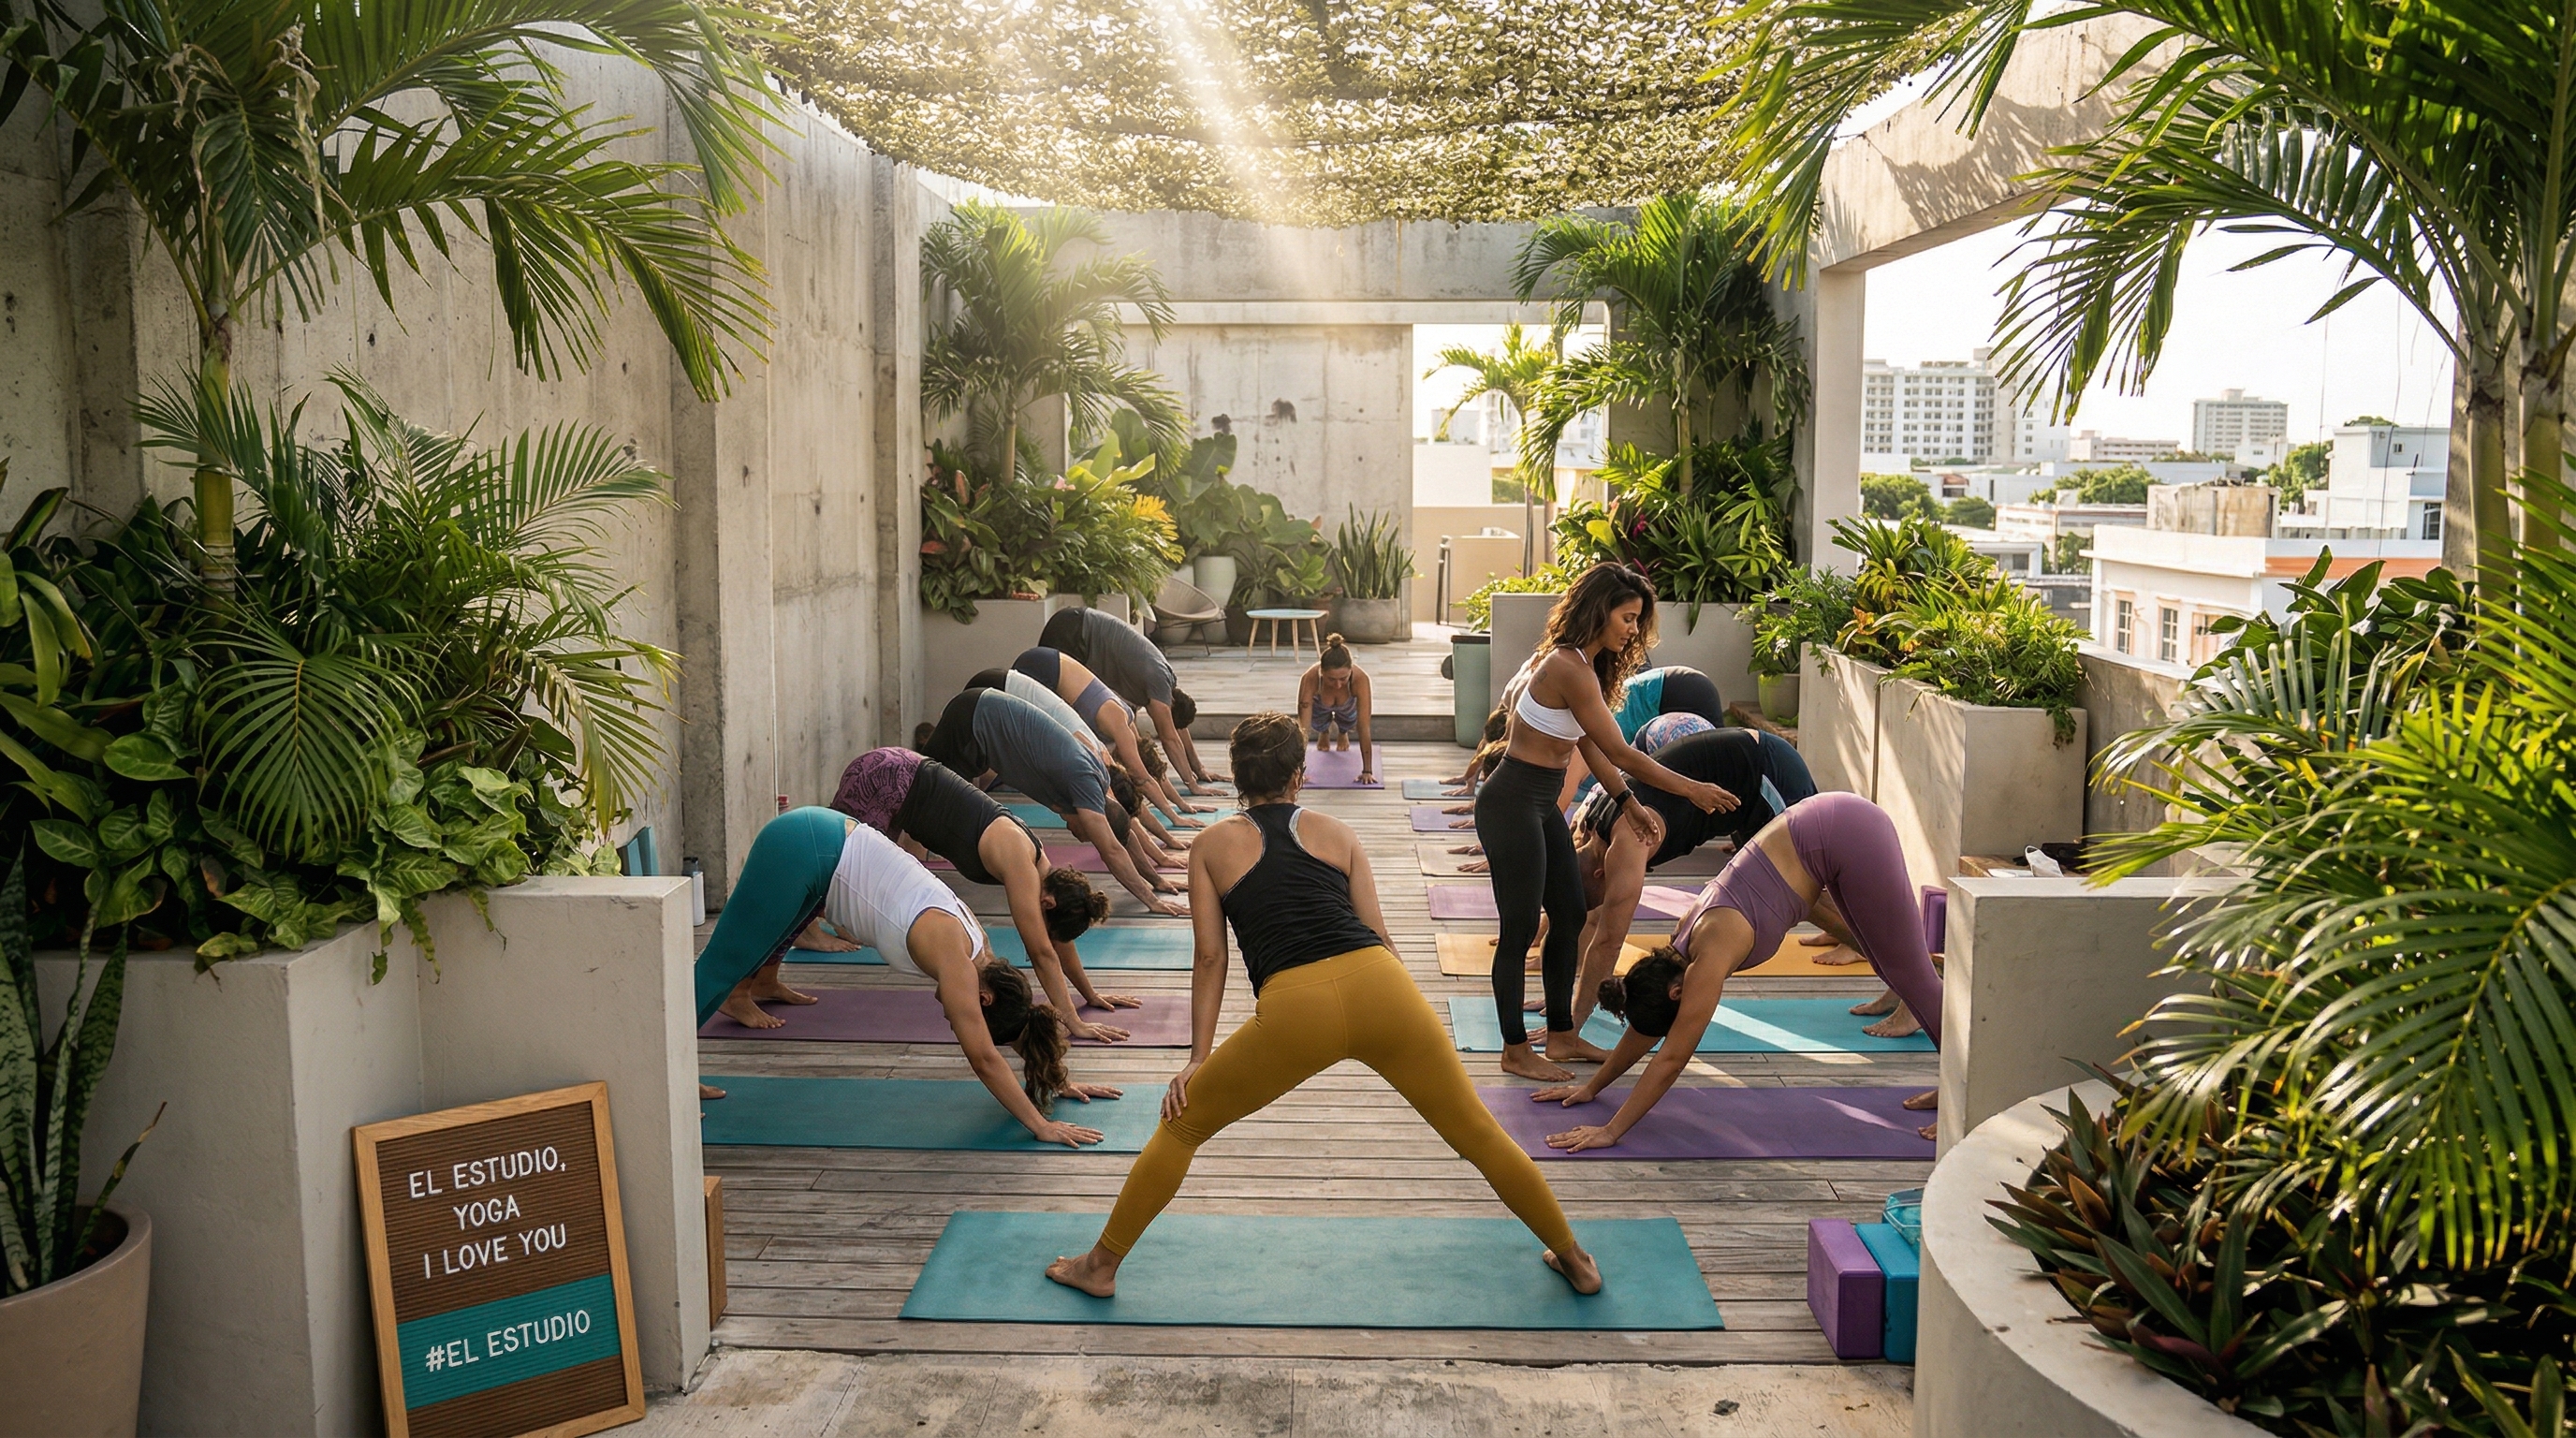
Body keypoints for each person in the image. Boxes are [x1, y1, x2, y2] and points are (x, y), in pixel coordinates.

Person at [1042, 713, 1603, 1297]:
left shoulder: (1209, 846)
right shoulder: (1338, 833)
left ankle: (1100, 1267)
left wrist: (1197, 1059)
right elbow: (1380, 936)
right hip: (1382, 987)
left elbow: (1210, 958)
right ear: (1299, 776)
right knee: (1479, 1133)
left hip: (1295, 1008)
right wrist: (1409, 1016)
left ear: (1237, 777)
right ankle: (1576, 1258)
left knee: (1182, 1126)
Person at [1530, 792, 1945, 1146]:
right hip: (1827, 833)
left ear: (1678, 992)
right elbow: (1648, 1028)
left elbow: (1671, 1058)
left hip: (1848, 831)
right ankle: (1957, 1086)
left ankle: (1972, 1101)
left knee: (1913, 977)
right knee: (1894, 968)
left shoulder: (1708, 957)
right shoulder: (1673, 957)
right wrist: (1593, 1087)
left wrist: (1611, 1130)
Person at [693, 808, 1121, 1146]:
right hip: (807, 847)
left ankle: (675, 1072)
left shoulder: (979, 948)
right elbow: (984, 1058)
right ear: (984, 999)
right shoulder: (956, 961)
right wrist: (1040, 1125)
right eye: (960, 1016)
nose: (948, 1014)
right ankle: (663, 1083)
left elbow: (1019, 1024)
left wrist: (1054, 1076)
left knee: (733, 965)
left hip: (823, 848)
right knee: (720, 969)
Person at [1477, 563, 1735, 1083]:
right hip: (1511, 803)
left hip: (1538, 804)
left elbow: (1590, 746)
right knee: (1520, 929)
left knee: (1571, 913)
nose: (1633, 630)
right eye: (1627, 617)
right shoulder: (1567, 666)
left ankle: (1561, 1035)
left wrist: (1629, 803)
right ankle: (1514, 1049)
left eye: (1638, 620)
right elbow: (1621, 751)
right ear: (1599, 611)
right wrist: (1691, 789)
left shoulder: (1584, 667)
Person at [827, 746, 1138, 1041]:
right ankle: (808, 933)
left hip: (902, 781)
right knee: (832, 865)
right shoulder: (1021, 864)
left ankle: (812, 926)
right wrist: (1072, 1020)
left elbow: (1056, 942)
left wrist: (1088, 994)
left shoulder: (1043, 871)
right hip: (885, 777)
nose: (1045, 930)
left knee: (841, 873)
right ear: (1048, 903)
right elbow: (1042, 951)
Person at [1567, 727, 1822, 1030]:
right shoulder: (1590, 829)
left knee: (1811, 890)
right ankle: (1867, 948)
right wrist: (1562, 1003)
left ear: (1600, 874)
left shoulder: (1626, 845)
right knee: (1802, 895)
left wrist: (1572, 1023)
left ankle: (1871, 955)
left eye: (1603, 891)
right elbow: (1591, 922)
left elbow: (1608, 942)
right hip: (1738, 789)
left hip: (1768, 771)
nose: (1606, 899)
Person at [916, 688, 1187, 917]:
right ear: (1093, 818)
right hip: (973, 717)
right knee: (918, 791)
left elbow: (1123, 834)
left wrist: (1156, 879)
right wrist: (1151, 900)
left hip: (981, 728)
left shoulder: (1100, 787)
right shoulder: (1086, 784)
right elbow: (1112, 850)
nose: (1080, 838)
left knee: (931, 801)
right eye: (1088, 836)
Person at [1003, 648, 1204, 821]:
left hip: (1050, 660)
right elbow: (1143, 778)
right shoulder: (1122, 730)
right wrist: (1174, 816)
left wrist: (1181, 804)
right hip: (1043, 669)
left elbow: (1154, 774)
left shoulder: (1129, 721)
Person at [1040, 606, 1222, 792]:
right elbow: (1170, 739)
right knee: (1053, 708)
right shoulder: (1159, 683)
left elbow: (1177, 730)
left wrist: (1199, 769)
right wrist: (1191, 785)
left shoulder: (1167, 683)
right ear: (1171, 703)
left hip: (1077, 627)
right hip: (1072, 631)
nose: (1165, 719)